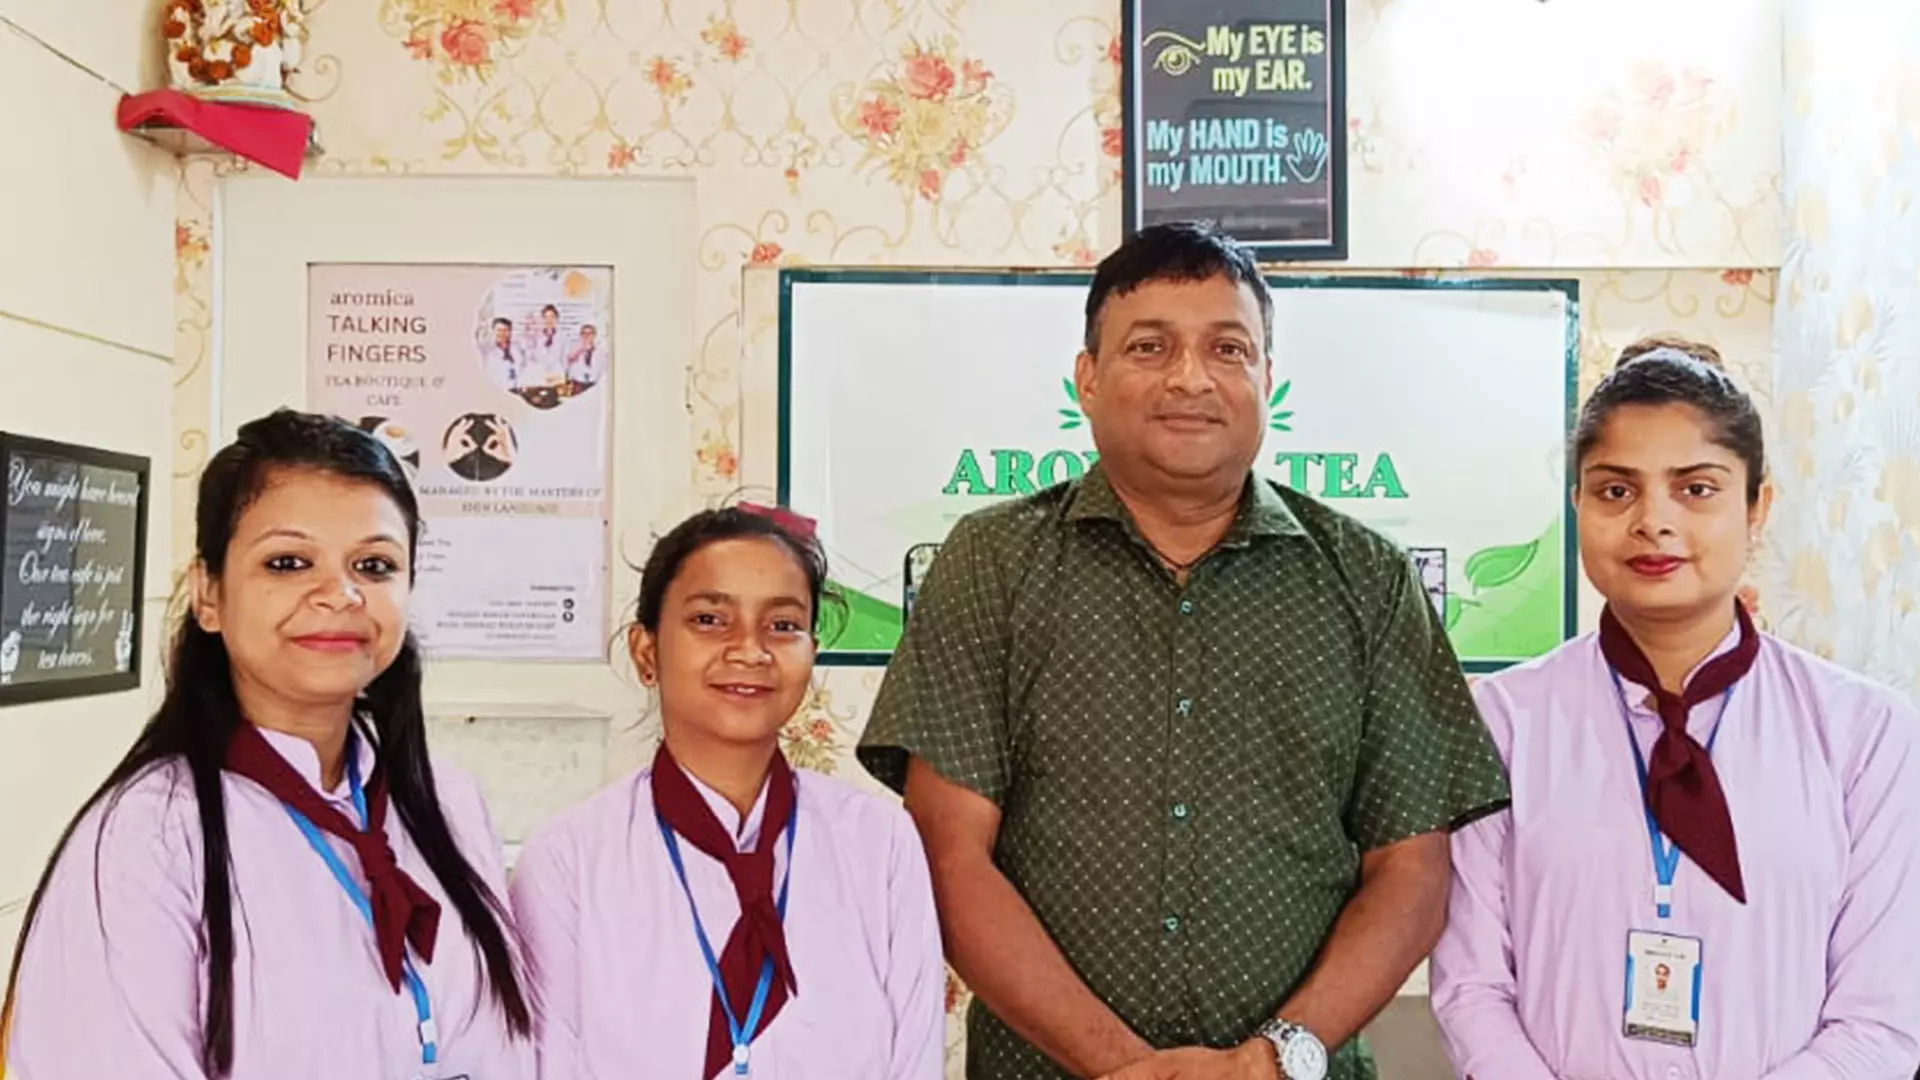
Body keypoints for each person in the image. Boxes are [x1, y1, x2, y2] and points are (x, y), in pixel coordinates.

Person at [857, 221, 1511, 1080]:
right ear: (1086, 379)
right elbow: (949, 855)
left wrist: (1268, 1063)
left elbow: (1412, 872)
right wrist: (1123, 1067)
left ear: (1268, 379)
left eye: (1228, 348)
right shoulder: (992, 565)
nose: (1191, 378)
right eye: (1149, 346)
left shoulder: (1368, 580)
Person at [1428, 338, 1920, 1079]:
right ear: (1578, 504)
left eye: (1696, 489)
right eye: (1616, 490)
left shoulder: (1869, 735)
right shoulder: (1500, 722)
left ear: (1759, 507)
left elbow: (1880, 1020)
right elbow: (1471, 987)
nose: (1653, 521)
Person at [0, 409, 533, 1079]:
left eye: (374, 565)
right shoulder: (145, 839)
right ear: (209, 594)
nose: (339, 594)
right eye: (288, 562)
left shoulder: (450, 806)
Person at [511, 504, 945, 1080]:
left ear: (811, 651)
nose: (750, 650)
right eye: (710, 620)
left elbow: (914, 1062)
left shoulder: (880, 844)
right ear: (647, 652)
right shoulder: (569, 861)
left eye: (783, 625)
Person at [483, 315, 523, 391]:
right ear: (493, 331)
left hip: (517, 387)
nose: (502, 334)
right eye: (499, 330)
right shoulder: (486, 351)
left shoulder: (517, 348)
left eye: (505, 330)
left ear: (510, 332)